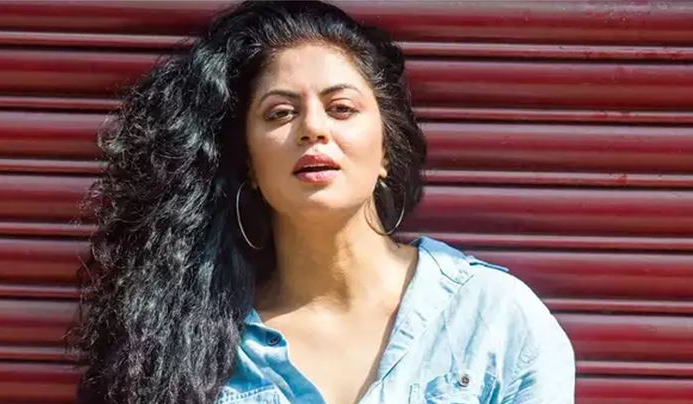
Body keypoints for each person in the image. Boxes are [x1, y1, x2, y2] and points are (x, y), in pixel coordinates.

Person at [72, 1, 576, 403]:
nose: (313, 127)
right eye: (280, 113)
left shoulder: (493, 319)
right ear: (249, 163)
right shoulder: (186, 347)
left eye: (341, 108)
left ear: (386, 149)